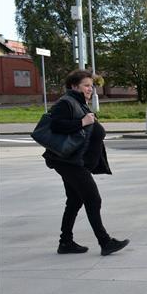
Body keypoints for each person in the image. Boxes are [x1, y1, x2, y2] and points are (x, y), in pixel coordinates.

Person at [43, 69, 129, 256]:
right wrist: (82, 122)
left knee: (74, 200)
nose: (90, 89)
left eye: (91, 86)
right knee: (93, 199)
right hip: (69, 162)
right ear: (74, 86)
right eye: (86, 85)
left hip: (75, 161)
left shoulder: (78, 102)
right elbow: (56, 125)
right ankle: (105, 242)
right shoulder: (66, 103)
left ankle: (65, 242)